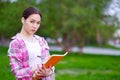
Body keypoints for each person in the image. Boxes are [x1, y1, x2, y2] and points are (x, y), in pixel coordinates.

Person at [8, 6, 55, 80]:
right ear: (23, 20)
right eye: (32, 21)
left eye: (38, 23)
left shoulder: (41, 41)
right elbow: (17, 73)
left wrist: (49, 72)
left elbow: (50, 64)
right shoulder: (15, 43)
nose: (35, 26)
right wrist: (35, 69)